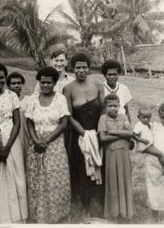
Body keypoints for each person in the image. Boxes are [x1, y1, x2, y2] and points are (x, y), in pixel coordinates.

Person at [25, 66, 71, 223]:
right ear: (39, 82)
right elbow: (29, 122)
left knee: (53, 178)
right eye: (42, 82)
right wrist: (36, 140)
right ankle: (38, 214)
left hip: (55, 144)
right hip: (35, 145)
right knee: (36, 179)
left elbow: (64, 123)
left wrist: (47, 140)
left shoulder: (60, 99)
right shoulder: (32, 99)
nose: (45, 85)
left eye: (48, 83)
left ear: (54, 83)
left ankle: (56, 214)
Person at [63, 52, 105, 217]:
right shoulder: (68, 89)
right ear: (72, 69)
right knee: (82, 168)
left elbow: (104, 109)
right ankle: (86, 206)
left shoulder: (98, 85)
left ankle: (101, 203)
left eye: (84, 67)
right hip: (79, 134)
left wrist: (99, 132)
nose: (81, 70)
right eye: (77, 67)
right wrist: (85, 134)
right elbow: (68, 115)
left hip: (98, 131)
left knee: (100, 164)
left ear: (89, 69)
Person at [0, 63, 28, 223]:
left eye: (1, 77)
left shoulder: (12, 96)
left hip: (11, 142)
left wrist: (8, 147)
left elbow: (17, 122)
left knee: (15, 177)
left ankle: (16, 219)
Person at [98, 93, 134, 222]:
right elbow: (103, 138)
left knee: (125, 181)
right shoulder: (103, 118)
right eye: (110, 106)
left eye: (115, 105)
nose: (113, 108)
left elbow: (130, 133)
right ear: (106, 107)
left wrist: (112, 132)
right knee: (113, 182)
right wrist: (122, 135)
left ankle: (126, 213)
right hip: (112, 155)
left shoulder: (123, 117)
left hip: (124, 155)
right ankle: (114, 212)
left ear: (119, 106)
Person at [6, 72, 29, 155]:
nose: (16, 85)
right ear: (8, 85)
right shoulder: (5, 101)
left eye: (19, 83)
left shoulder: (28, 100)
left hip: (24, 135)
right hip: (9, 135)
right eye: (13, 83)